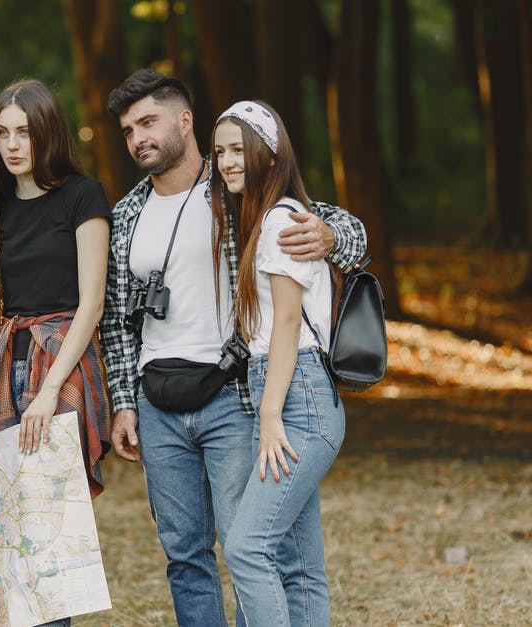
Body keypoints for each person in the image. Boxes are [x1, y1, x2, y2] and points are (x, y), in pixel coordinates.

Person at [100, 70, 367, 626]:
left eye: (148, 121)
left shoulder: (235, 188)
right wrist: (124, 401)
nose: (138, 138)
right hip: (156, 403)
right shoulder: (125, 213)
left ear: (184, 120)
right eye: (128, 130)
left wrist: (333, 237)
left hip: (233, 396)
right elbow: (117, 323)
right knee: (184, 554)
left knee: (251, 548)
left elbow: (336, 226)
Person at [0, 79, 113, 627]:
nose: (13, 144)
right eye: (3, 133)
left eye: (25, 132)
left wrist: (49, 391)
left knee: (47, 539)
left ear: (47, 132)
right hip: (3, 368)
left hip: (61, 365)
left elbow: (92, 304)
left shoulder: (84, 196)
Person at [213, 100, 345, 627]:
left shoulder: (280, 222)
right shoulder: (270, 219)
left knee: (247, 548)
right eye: (219, 150)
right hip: (293, 391)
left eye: (238, 148)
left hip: (299, 401)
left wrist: (269, 416)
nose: (226, 161)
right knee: (300, 565)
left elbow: (287, 323)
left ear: (269, 153)